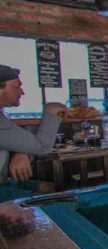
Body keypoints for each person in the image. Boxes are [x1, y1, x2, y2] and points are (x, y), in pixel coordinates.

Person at [0, 65, 69, 202]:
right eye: (17, 86)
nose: (22, 92)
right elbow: (43, 146)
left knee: (48, 188)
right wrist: (51, 111)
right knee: (49, 201)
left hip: (4, 181)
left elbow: (14, 141)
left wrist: (22, 152)